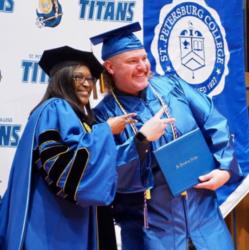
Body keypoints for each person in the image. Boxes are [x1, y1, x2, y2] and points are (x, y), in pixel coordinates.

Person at [90, 22, 241, 250]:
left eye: (143, 58)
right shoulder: (104, 118)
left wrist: (224, 168)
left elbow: (214, 120)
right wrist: (140, 140)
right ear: (110, 67)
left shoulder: (172, 87)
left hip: (206, 223)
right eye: (132, 61)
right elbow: (109, 172)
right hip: (153, 233)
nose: (142, 66)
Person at [0, 45, 136, 250]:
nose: (86, 84)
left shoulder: (71, 116)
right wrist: (106, 130)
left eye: (89, 79)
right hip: (54, 226)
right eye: (78, 77)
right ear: (62, 79)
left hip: (63, 223)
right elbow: (63, 165)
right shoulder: (55, 107)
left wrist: (139, 140)